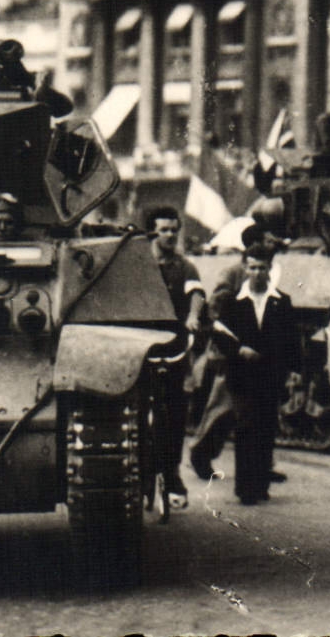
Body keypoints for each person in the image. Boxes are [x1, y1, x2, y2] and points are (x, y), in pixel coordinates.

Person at [190, 244, 300, 504]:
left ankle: (260, 483)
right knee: (246, 427)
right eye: (252, 267)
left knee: (265, 428)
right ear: (245, 268)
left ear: (270, 269)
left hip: (270, 373)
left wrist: (294, 370)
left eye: (262, 267)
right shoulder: (234, 302)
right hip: (242, 373)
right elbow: (220, 334)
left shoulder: (280, 301)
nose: (257, 273)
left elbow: (292, 338)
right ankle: (245, 487)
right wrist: (239, 350)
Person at [148, 205, 206, 508]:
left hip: (173, 350)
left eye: (174, 229)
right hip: (141, 349)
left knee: (174, 417)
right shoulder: (140, 265)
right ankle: (143, 472)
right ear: (152, 232)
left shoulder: (184, 266)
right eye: (164, 230)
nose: (170, 235)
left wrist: (193, 317)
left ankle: (171, 475)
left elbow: (196, 294)